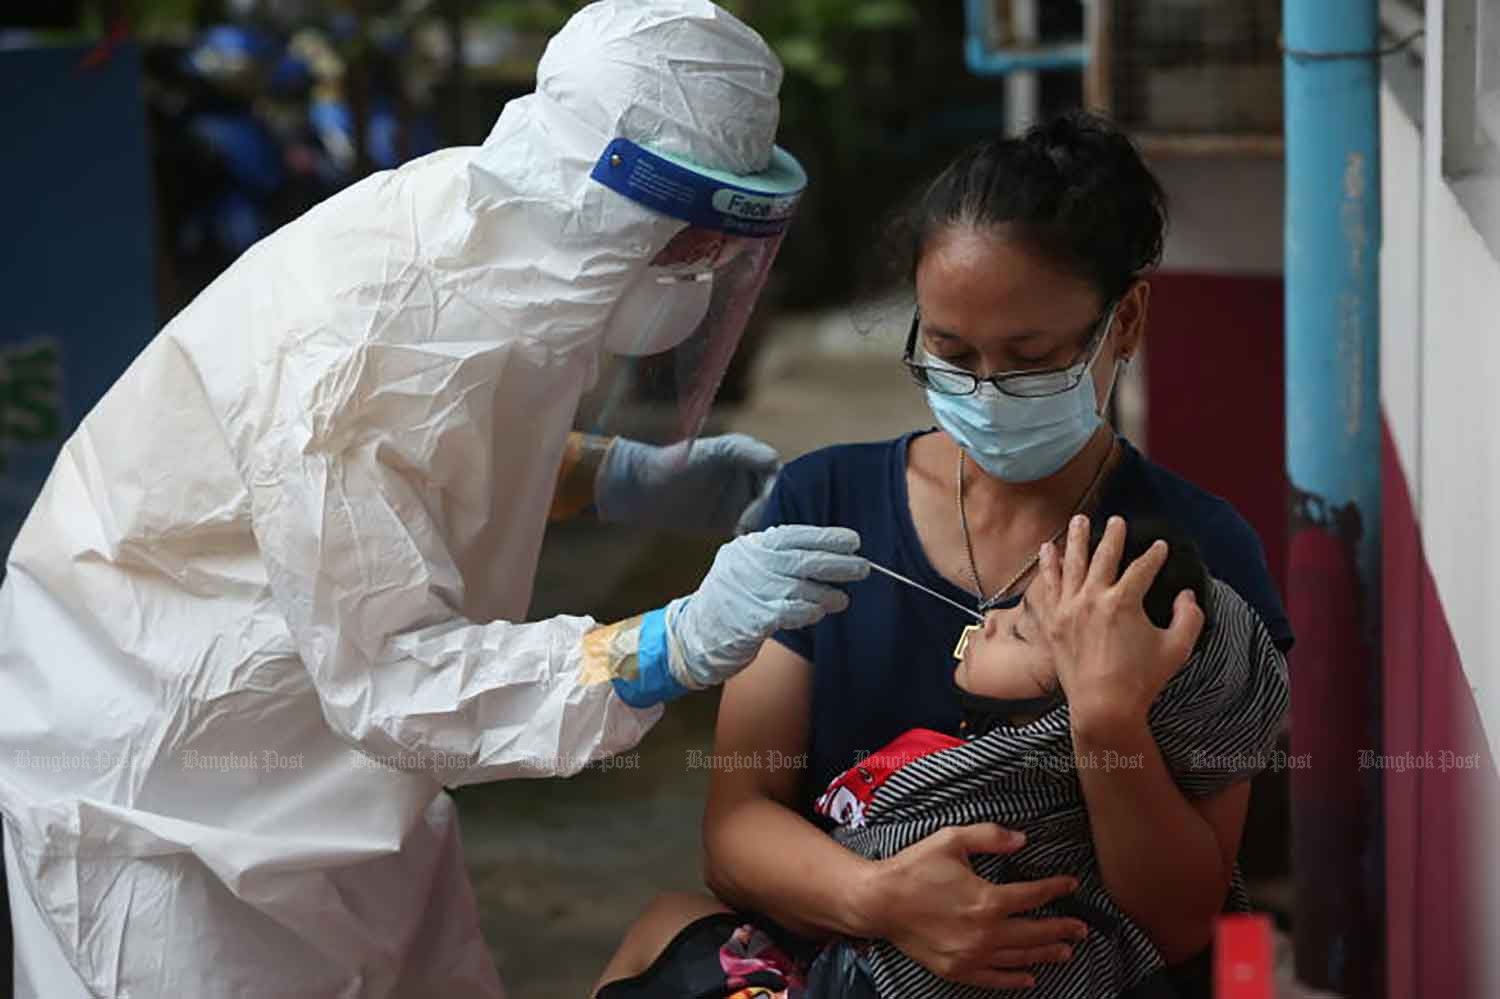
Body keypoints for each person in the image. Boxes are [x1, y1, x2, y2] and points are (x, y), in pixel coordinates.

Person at [0, 3, 872, 997]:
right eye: (696, 236)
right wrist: (665, 645)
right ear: (617, 202)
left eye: (730, 238)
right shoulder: (358, 339)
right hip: (161, 792)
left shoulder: (511, 244)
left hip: (336, 773)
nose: (709, 266)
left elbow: (439, 446)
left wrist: (608, 474)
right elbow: (394, 682)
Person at [601, 110, 1293, 998]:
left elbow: (1179, 919)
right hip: (856, 955)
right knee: (658, 931)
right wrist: (881, 898)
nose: (984, 391)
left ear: (1124, 323)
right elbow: (738, 828)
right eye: (949, 351)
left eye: (1030, 358)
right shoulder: (825, 508)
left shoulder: (1188, 561)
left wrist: (1108, 722)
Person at [591, 519, 1289, 999]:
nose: (987, 616)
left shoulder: (985, 821)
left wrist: (1106, 722)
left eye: (1018, 627)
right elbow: (734, 840)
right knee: (671, 913)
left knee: (664, 923)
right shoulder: (1036, 781)